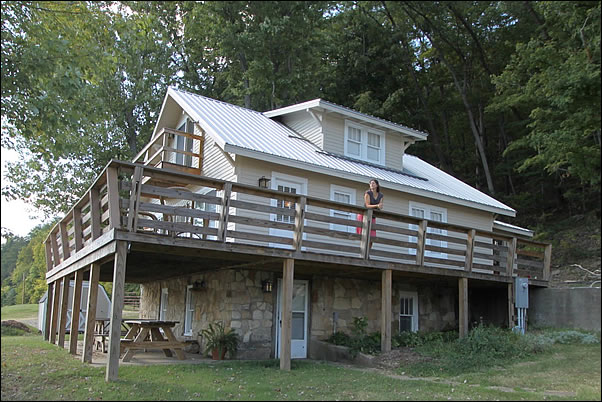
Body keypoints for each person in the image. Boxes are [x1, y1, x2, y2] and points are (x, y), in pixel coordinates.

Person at [356, 179, 384, 248]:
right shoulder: (367, 193)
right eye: (370, 183)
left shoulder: (381, 195)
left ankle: (368, 252)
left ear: (377, 185)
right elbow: (367, 205)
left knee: (372, 236)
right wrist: (377, 206)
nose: (372, 185)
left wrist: (379, 206)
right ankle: (363, 252)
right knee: (364, 235)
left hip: (373, 216)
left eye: (373, 183)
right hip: (364, 215)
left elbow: (380, 205)